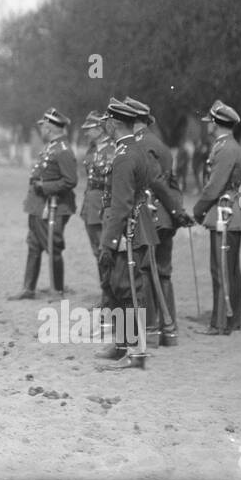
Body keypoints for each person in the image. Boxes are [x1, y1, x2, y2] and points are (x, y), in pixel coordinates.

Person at [126, 97, 194, 347]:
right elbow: (173, 184)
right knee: (163, 272)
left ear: (132, 120)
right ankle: (170, 331)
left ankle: (153, 331)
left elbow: (155, 182)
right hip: (164, 216)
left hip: (151, 217)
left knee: (146, 271)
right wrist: (177, 212)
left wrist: (175, 212)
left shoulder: (140, 145)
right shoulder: (160, 144)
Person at [95, 98, 156, 369]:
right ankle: (122, 345)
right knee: (124, 289)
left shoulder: (123, 156)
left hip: (125, 233)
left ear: (115, 123)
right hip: (135, 227)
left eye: (107, 121)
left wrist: (108, 242)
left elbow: (120, 204)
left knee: (126, 290)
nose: (104, 126)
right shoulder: (136, 149)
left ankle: (135, 352)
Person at [191, 100, 241, 335]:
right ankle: (231, 319)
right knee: (230, 269)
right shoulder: (228, 145)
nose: (208, 126)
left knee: (222, 270)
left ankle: (221, 322)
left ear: (216, 124)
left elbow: (214, 186)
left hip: (224, 213)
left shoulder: (225, 148)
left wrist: (198, 210)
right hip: (230, 212)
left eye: (210, 122)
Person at [16, 108, 77, 300]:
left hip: (54, 206)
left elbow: (70, 181)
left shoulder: (63, 150)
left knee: (53, 246)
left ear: (49, 128)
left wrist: (46, 186)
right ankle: (28, 288)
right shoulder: (51, 147)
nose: (41, 130)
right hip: (39, 205)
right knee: (34, 245)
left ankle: (57, 290)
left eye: (42, 126)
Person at [78, 111, 115, 306]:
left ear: (100, 129)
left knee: (106, 251)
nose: (86, 133)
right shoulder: (91, 150)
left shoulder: (114, 148)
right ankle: (106, 294)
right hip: (91, 204)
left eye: (89, 129)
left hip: (105, 203)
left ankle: (110, 297)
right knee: (97, 251)